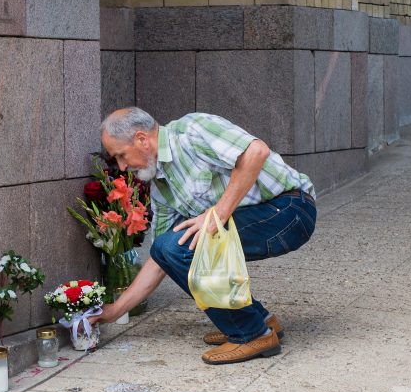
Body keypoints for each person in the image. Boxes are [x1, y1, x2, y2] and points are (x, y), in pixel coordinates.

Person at [93, 107, 317, 365]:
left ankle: (251, 334)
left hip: (291, 210)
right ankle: (261, 321)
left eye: (121, 155)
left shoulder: (192, 130)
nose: (122, 166)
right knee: (168, 249)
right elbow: (161, 257)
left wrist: (217, 214)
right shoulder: (161, 188)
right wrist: (114, 311)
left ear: (142, 139)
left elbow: (257, 152)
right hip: (260, 219)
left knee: (180, 246)